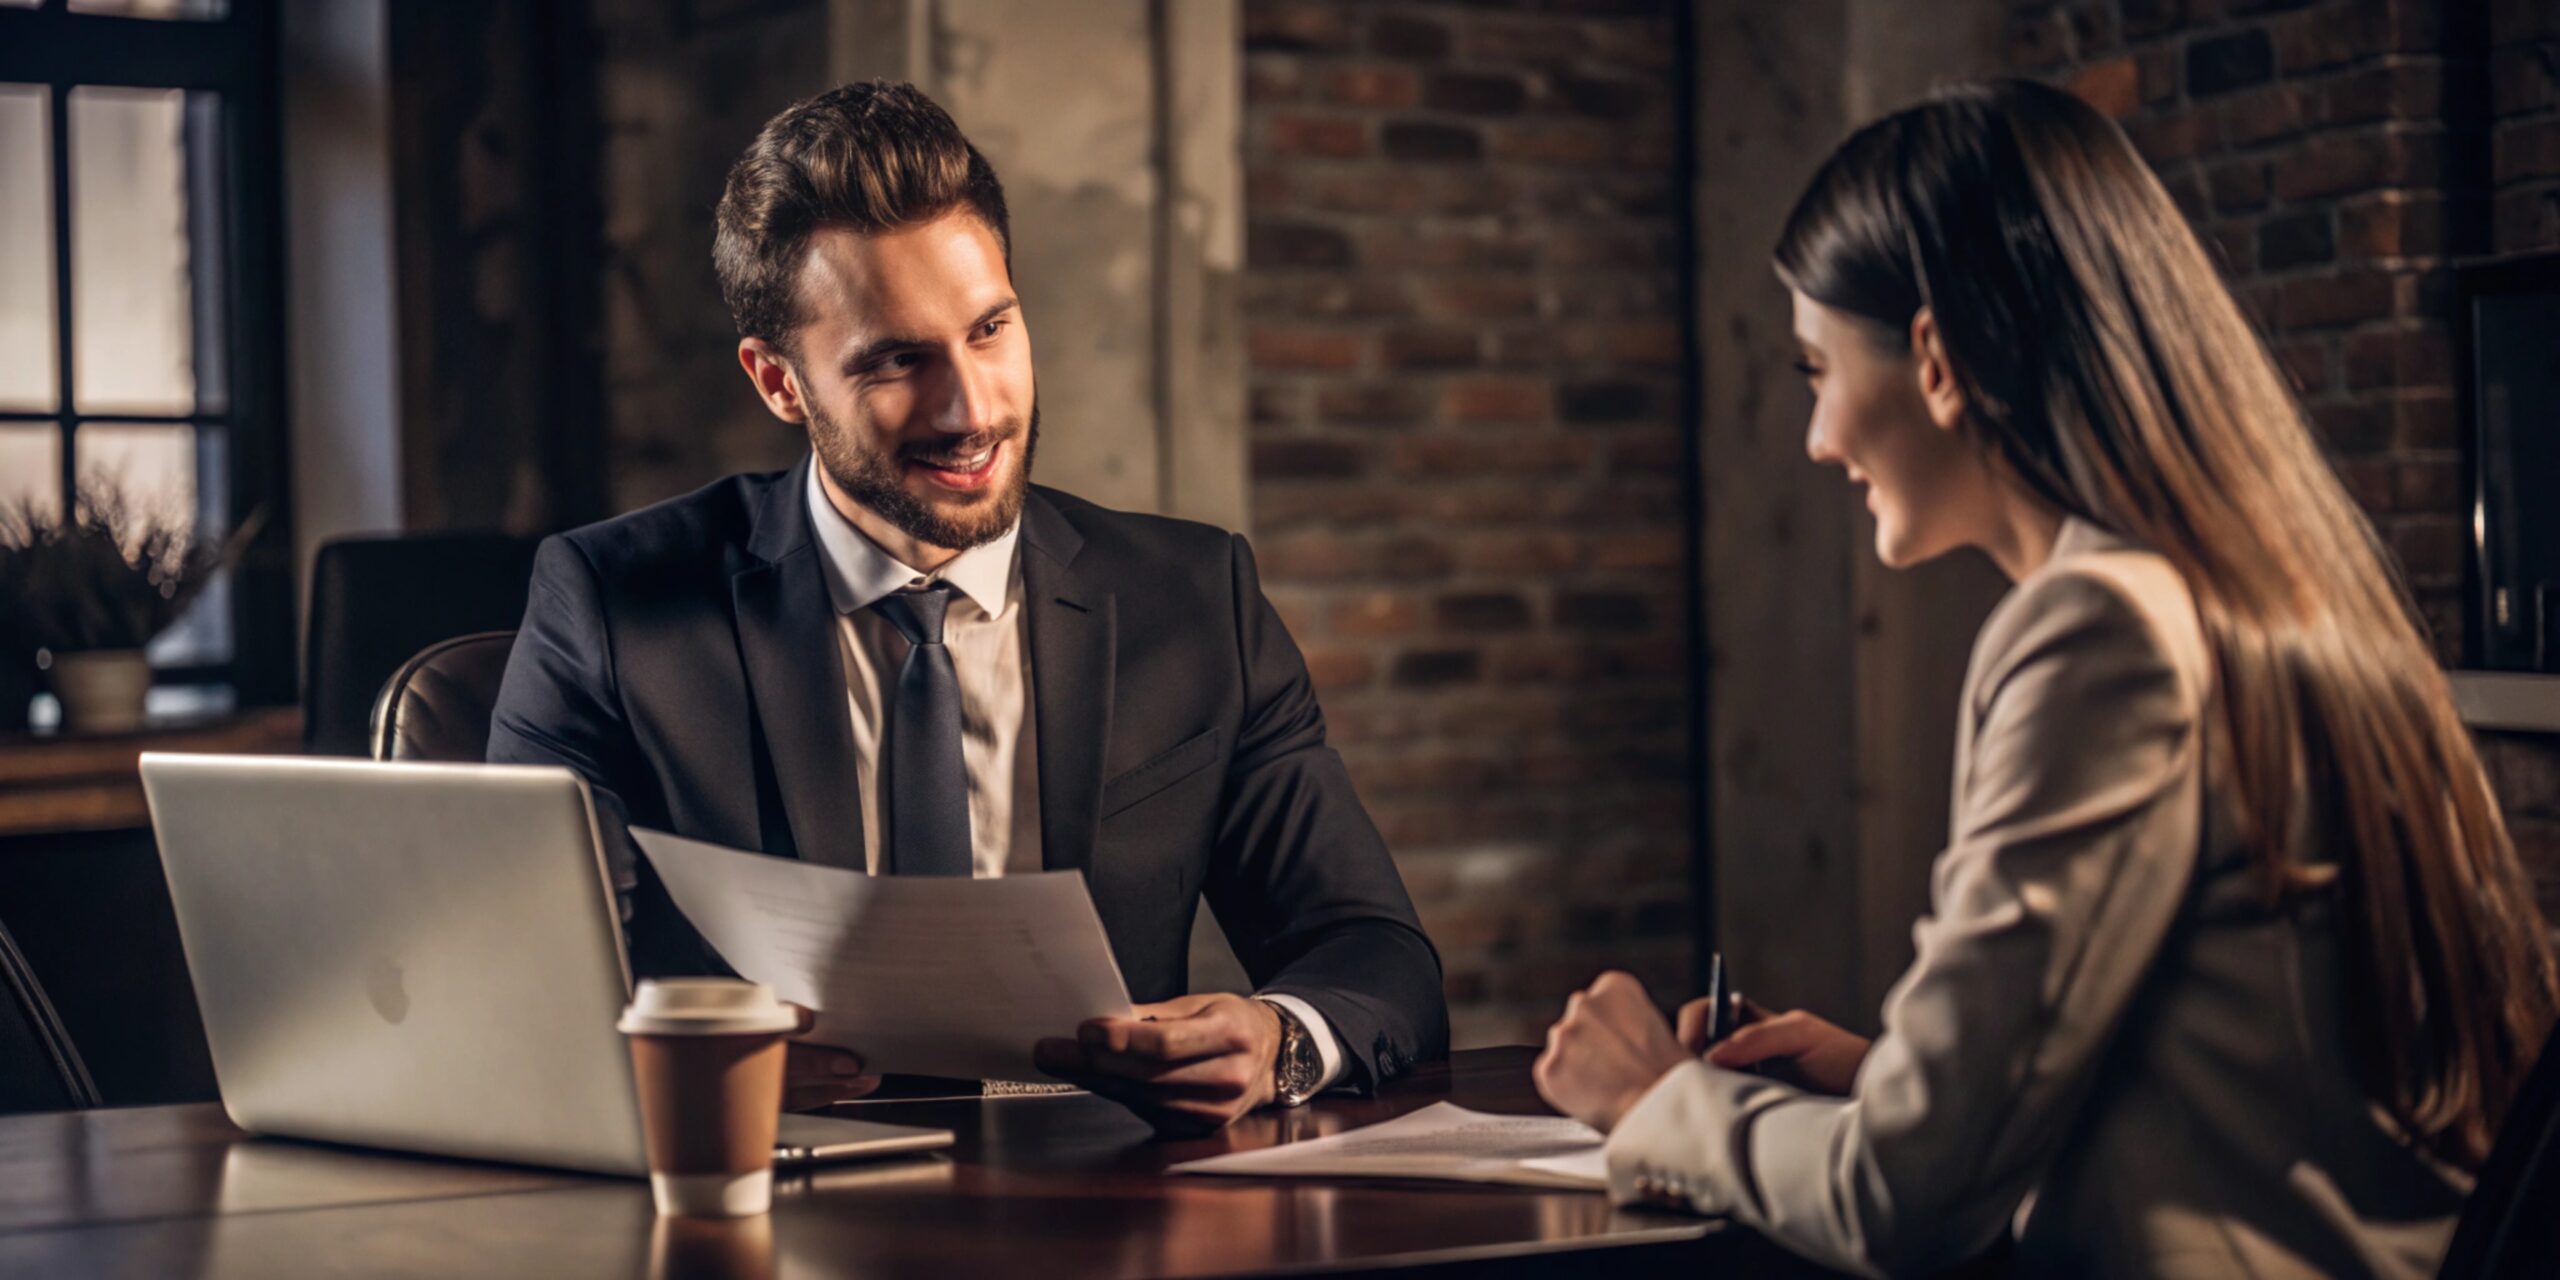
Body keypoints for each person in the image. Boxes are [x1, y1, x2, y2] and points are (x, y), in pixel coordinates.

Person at [1532, 79, 2560, 1278]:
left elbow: (1900, 1201)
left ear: (1934, 357)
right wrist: (1882, 1076)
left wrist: (1654, 1098)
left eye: (1816, 370)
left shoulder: (2099, 631)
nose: (1814, 437)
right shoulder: (2267, 593)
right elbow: (2240, 1095)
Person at [487, 81, 1445, 1134]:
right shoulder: (613, 604)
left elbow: (1375, 953)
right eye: (897, 360)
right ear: (778, 382)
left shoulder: (1194, 597)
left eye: (990, 328)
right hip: (772, 1209)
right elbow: (509, 983)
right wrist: (673, 1058)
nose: (972, 408)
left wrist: (1280, 1038)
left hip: (1110, 1214)